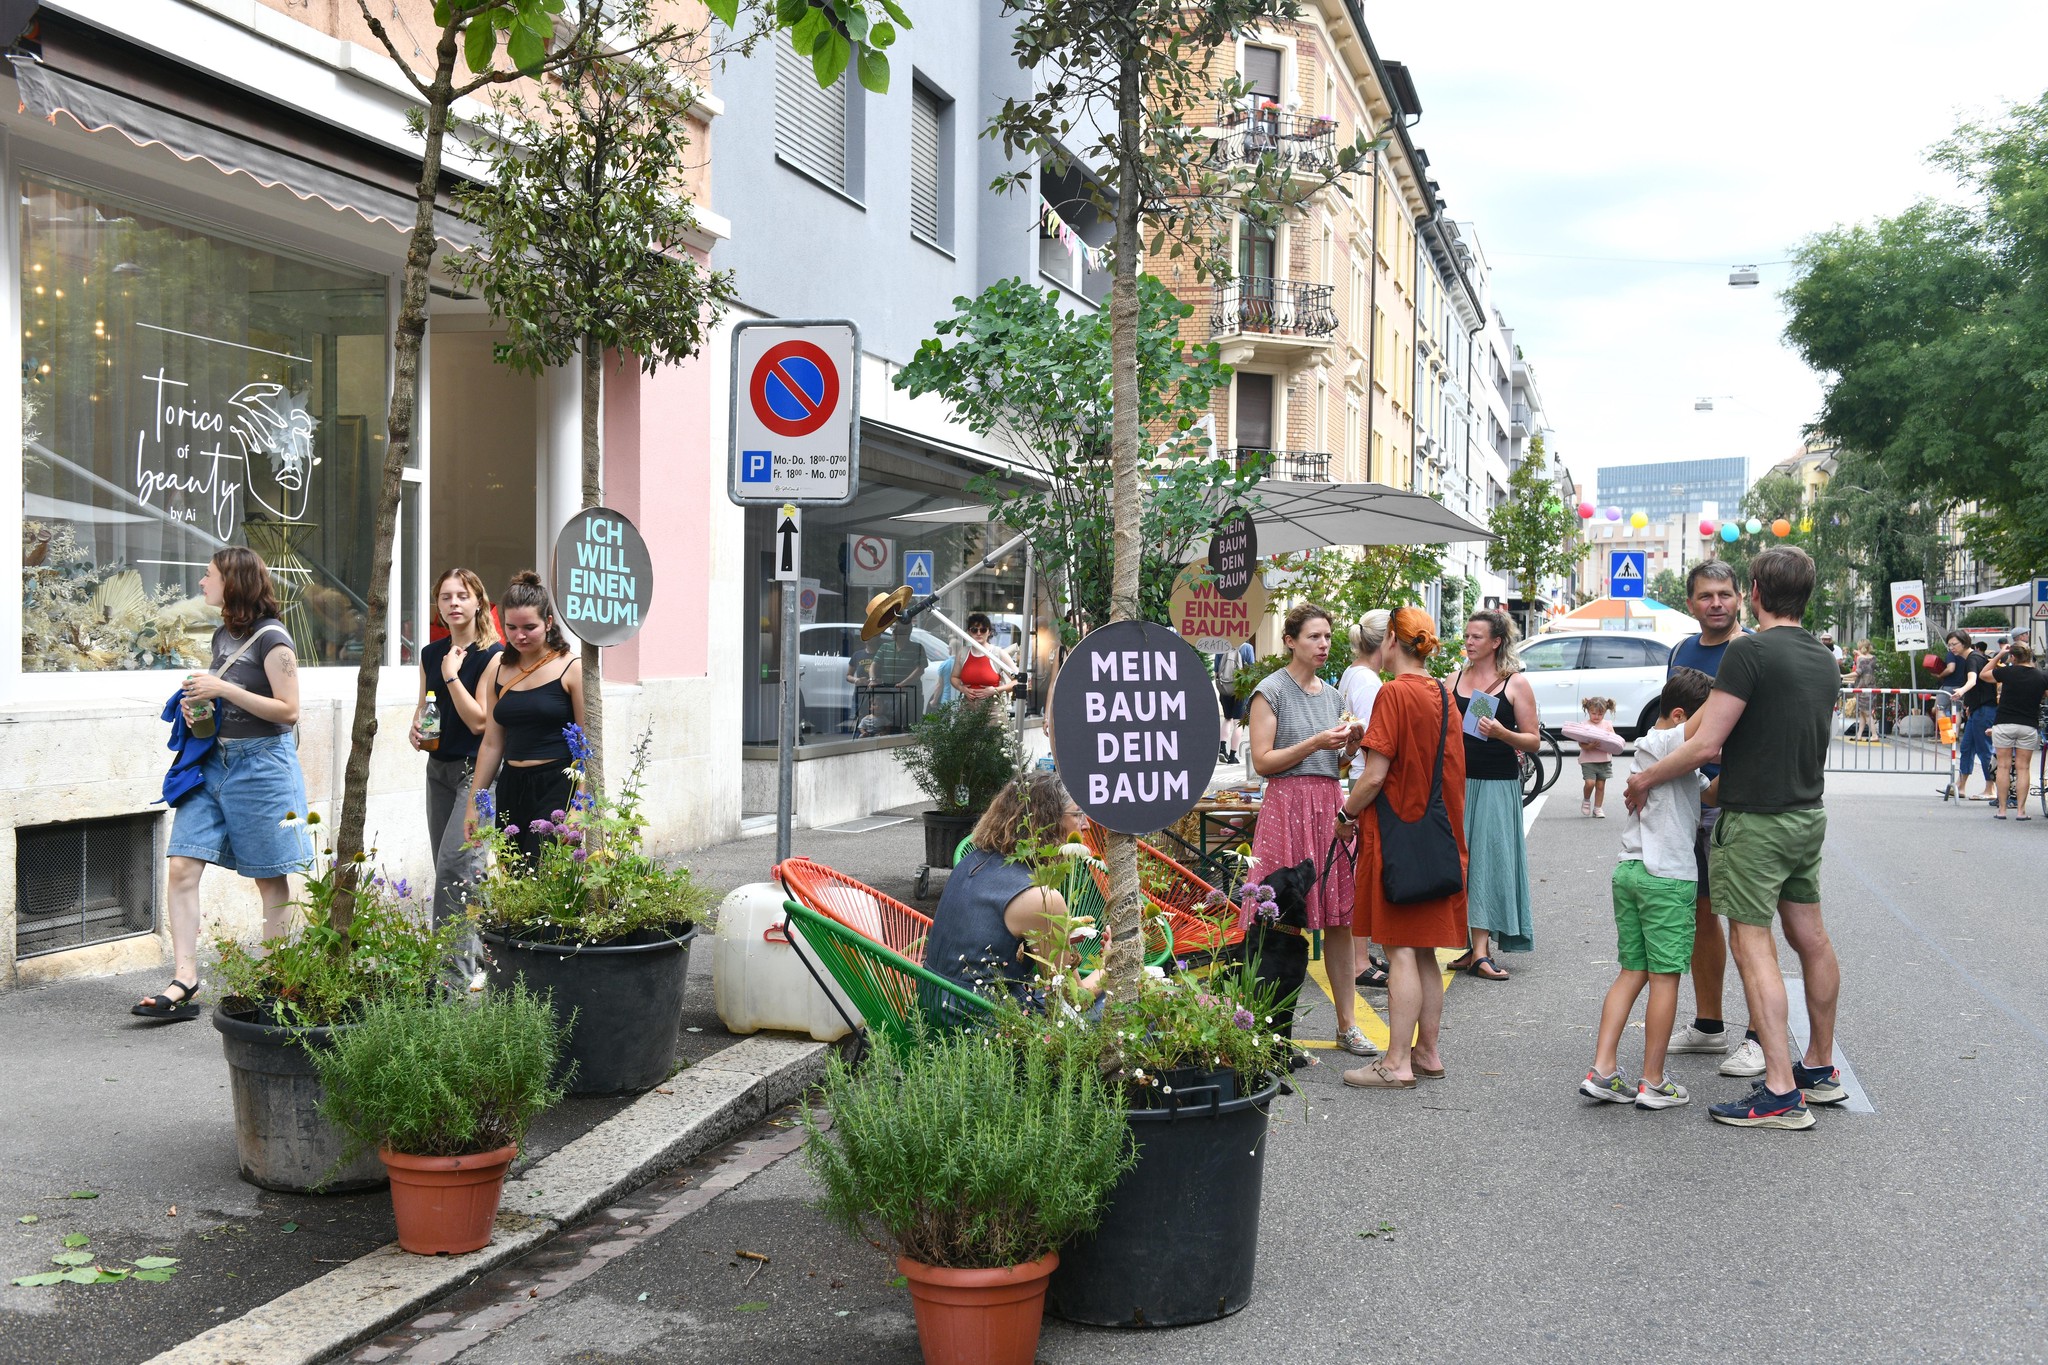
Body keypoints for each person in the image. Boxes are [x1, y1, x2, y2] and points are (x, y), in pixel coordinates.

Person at [1624, 545, 1845, 1131]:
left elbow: (1705, 745)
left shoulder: (1749, 651)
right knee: (1811, 938)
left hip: (1756, 822)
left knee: (1751, 943)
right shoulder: (1823, 657)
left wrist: (1645, 776)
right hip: (1805, 814)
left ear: (1752, 591)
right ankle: (1818, 1069)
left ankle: (1778, 1091)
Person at [135, 548, 311, 1021]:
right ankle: (185, 978)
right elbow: (224, 710)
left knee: (270, 877)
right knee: (181, 867)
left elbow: (288, 710)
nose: (200, 583)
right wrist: (200, 715)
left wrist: (223, 690)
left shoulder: (273, 639)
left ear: (233, 583)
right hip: (216, 763)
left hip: (262, 768)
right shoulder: (221, 635)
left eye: (208, 576)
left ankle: (277, 984)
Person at [1336, 607, 1466, 1088]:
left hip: (1396, 841)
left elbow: (1374, 775)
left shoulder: (1393, 694)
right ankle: (1427, 1052)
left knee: (1400, 953)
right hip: (1438, 839)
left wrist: (1345, 816)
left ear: (1391, 638)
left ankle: (1395, 1064)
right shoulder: (1444, 694)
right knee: (1424, 950)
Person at [1581, 667, 1715, 1111]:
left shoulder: (1660, 757)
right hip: (1666, 878)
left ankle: (1603, 1071)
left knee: (1631, 972)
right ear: (1680, 715)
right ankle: (1653, 1081)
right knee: (1665, 978)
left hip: (1631, 872)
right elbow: (1704, 728)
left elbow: (1707, 793)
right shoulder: (1662, 742)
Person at [1245, 603, 1371, 1056]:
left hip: (1326, 803)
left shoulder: (1333, 695)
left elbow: (1333, 766)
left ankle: (1347, 1025)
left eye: (1327, 637)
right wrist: (1317, 741)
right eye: (1314, 636)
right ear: (1291, 640)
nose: (1323, 645)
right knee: (1277, 924)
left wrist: (1347, 748)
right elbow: (1263, 762)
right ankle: (1269, 1031)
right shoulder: (1270, 690)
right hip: (1285, 806)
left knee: (1340, 919)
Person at [1663, 560, 1764, 1076]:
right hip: (1689, 795)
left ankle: (1757, 1036)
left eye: (1725, 594)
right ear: (1691, 603)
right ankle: (1708, 1025)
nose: (1717, 603)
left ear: (1741, 598)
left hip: (1738, 798)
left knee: (1747, 920)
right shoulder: (1681, 652)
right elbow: (1672, 725)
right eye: (1706, 596)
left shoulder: (1755, 649)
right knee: (1700, 912)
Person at [925, 772, 1100, 1017]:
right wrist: (1112, 963)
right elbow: (1073, 1000)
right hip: (983, 1025)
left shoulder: (971, 862)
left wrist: (1056, 936)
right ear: (1047, 821)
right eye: (1078, 813)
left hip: (933, 1006)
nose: (1086, 824)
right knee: (1126, 1007)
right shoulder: (1042, 899)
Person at [466, 572, 586, 869]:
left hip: (557, 786)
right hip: (511, 787)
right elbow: (492, 743)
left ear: (548, 622)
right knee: (515, 877)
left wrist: (580, 807)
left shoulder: (571, 667)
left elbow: (587, 744)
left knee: (547, 877)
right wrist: (473, 804)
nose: (519, 635)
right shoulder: (499, 669)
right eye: (511, 627)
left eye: (529, 627)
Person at [411, 568, 501, 943]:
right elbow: (424, 706)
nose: (453, 604)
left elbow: (480, 721)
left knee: (457, 867)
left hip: (474, 772)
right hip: (438, 769)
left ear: (478, 601)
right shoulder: (431, 653)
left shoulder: (493, 654)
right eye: (446, 597)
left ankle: (454, 977)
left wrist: (452, 675)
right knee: (449, 866)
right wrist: (415, 728)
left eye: (462, 596)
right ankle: (475, 954)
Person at [1448, 609, 1538, 980]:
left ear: (1496, 642)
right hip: (1456, 783)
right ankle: (1472, 946)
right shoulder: (1452, 679)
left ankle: (1482, 951)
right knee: (1461, 862)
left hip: (1497, 784)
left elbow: (1533, 741)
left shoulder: (1514, 684)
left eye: (1477, 637)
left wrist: (1503, 733)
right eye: (1467, 636)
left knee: (1485, 860)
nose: (1468, 642)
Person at [1340, 611, 1392, 990]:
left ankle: (1361, 952)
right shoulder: (1370, 682)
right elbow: (1377, 743)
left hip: (1358, 773)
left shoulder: (1352, 674)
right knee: (1365, 869)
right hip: (1366, 777)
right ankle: (1359, 960)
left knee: (1362, 865)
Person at [1983, 640, 2046, 821]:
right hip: (2028, 726)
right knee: (2023, 768)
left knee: (2003, 766)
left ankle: (2002, 810)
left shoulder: (2007, 672)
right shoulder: (2041, 676)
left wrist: (1998, 655)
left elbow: (1984, 674)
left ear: (2012, 657)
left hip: (2004, 724)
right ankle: (2021, 811)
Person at [1947, 630, 1996, 802]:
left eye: (1954, 644)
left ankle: (1991, 788)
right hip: (1977, 709)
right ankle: (1961, 786)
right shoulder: (1973, 658)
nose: (1951, 647)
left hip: (1985, 710)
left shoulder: (1973, 659)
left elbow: (1972, 680)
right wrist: (1969, 703)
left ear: (1964, 642)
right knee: (1967, 747)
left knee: (1984, 750)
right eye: (1950, 644)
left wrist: (1961, 691)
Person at [868, 618, 928, 733]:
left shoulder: (917, 648)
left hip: (911, 695)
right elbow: (874, 665)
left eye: (897, 629)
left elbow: (920, 669)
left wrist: (904, 683)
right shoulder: (885, 647)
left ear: (907, 632)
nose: (894, 632)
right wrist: (872, 679)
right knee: (889, 727)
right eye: (893, 629)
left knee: (911, 727)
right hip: (890, 695)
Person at [1576, 696, 1618, 817]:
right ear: (1588, 711)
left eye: (1600, 714)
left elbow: (1614, 740)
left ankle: (1598, 808)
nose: (1596, 716)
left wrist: (1610, 739)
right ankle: (1586, 800)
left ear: (1605, 713)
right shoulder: (1584, 725)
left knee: (1600, 785)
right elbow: (1581, 743)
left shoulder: (1607, 724)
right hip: (1588, 760)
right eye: (1593, 713)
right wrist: (1590, 746)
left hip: (1604, 760)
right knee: (1590, 783)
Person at [954, 612, 1010, 702]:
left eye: (983, 630)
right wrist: (961, 688)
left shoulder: (998, 653)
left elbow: (1018, 681)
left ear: (989, 632)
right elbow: (954, 677)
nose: (979, 633)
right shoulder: (963, 652)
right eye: (974, 630)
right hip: (967, 708)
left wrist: (995, 690)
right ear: (969, 632)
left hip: (992, 709)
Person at [1215, 642, 1245, 765]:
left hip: (1225, 688)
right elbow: (1251, 671)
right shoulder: (1246, 648)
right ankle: (1232, 756)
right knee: (1238, 722)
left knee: (1227, 719)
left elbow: (1216, 672)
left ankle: (1222, 748)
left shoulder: (1220, 647)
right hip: (1241, 689)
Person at [1844, 640, 1877, 740]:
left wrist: (1843, 675)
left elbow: (1858, 672)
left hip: (1862, 688)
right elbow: (1867, 666)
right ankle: (1859, 735)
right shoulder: (1873, 658)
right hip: (1871, 687)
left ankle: (1874, 735)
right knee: (1863, 713)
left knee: (1866, 713)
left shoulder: (1860, 659)